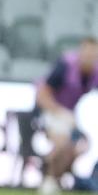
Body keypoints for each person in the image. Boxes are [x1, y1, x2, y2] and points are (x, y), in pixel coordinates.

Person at [35, 37, 98, 195]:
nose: (89, 57)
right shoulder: (66, 65)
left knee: (82, 146)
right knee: (62, 141)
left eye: (93, 54)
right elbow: (42, 95)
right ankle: (49, 178)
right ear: (81, 51)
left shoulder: (94, 72)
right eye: (87, 52)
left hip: (71, 116)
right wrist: (62, 113)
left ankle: (54, 177)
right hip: (48, 110)